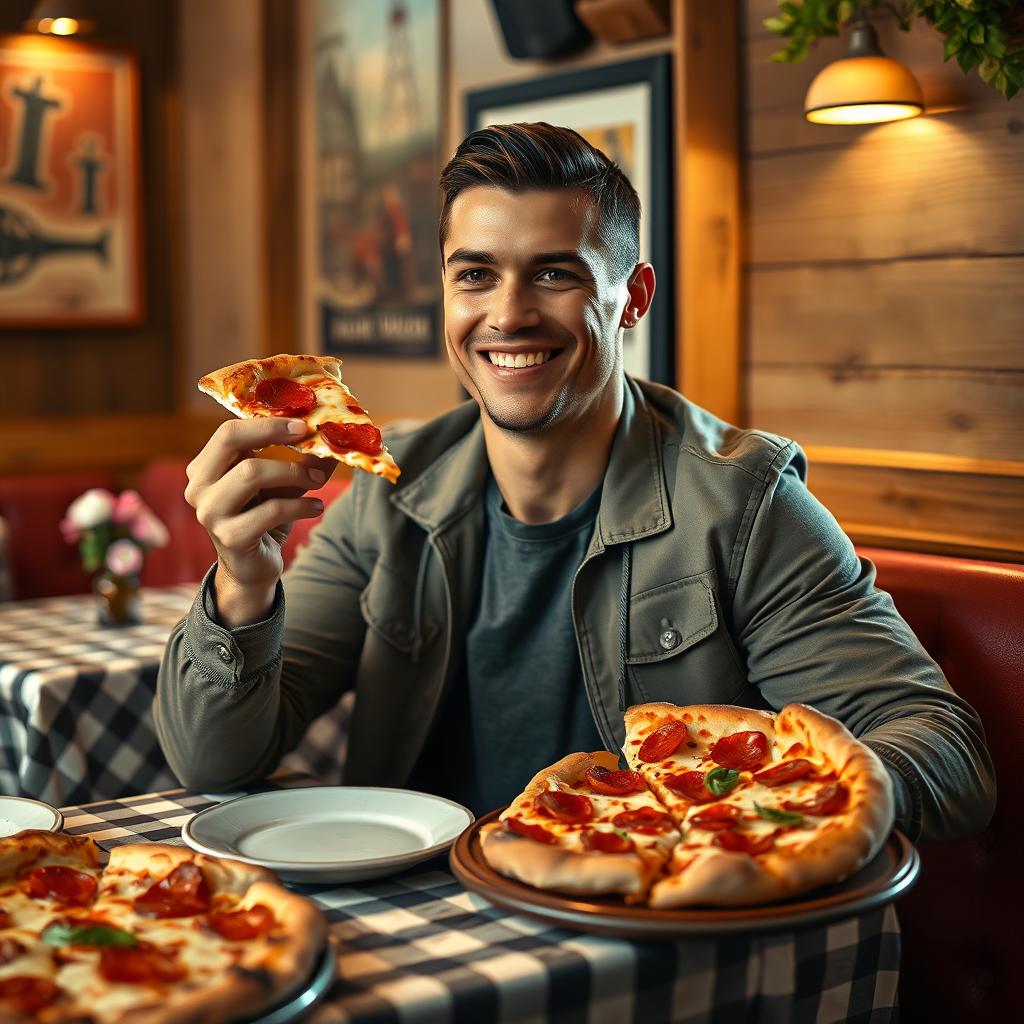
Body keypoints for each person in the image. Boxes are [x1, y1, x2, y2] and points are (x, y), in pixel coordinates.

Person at [156, 123, 994, 840]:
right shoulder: (389, 490)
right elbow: (216, 758)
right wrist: (243, 584)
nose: (508, 313)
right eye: (474, 273)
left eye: (555, 273)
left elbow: (947, 757)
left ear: (632, 298)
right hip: (419, 925)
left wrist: (728, 804)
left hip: (646, 939)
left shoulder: (743, 503)